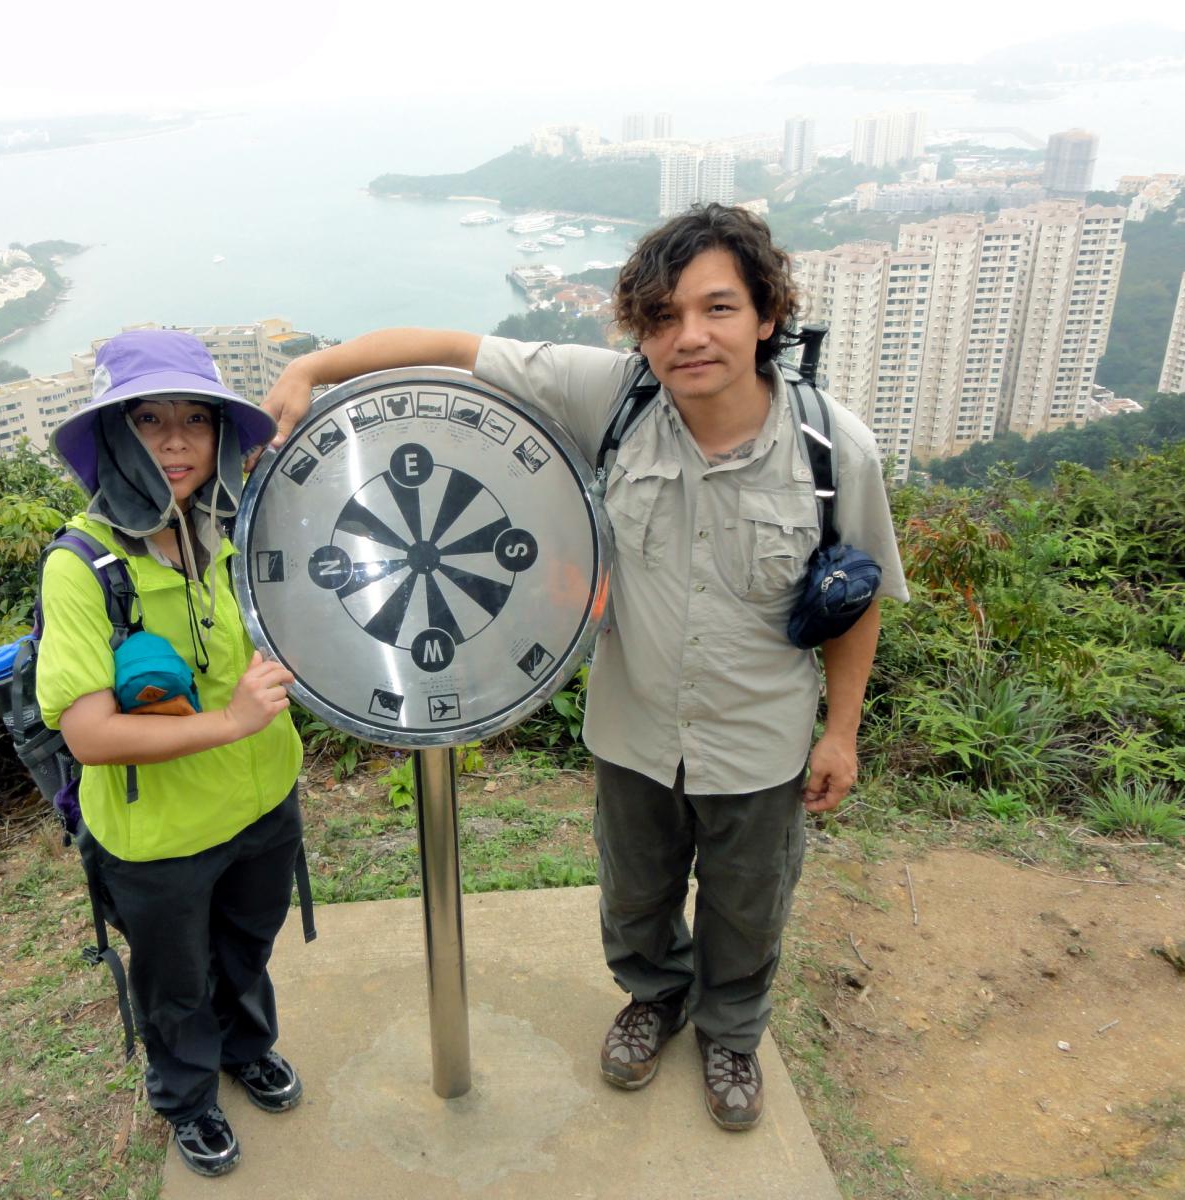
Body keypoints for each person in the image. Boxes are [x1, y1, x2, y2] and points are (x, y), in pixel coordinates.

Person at [260, 204, 908, 1131]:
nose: (690, 337)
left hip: (760, 738)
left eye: (718, 308)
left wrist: (840, 733)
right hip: (634, 727)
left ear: (768, 316)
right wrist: (313, 368)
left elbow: (857, 599)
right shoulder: (615, 398)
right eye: (663, 317)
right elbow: (450, 348)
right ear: (640, 331)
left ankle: (731, 1034)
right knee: (634, 893)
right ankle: (653, 998)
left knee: (750, 903)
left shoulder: (834, 448)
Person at [37, 329, 306, 1177]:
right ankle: (187, 1097)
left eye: (196, 419)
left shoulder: (230, 529)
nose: (177, 441)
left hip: (262, 803)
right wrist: (231, 722)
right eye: (149, 419)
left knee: (246, 948)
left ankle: (245, 1048)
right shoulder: (82, 566)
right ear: (114, 435)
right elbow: (88, 734)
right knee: (175, 981)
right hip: (158, 838)